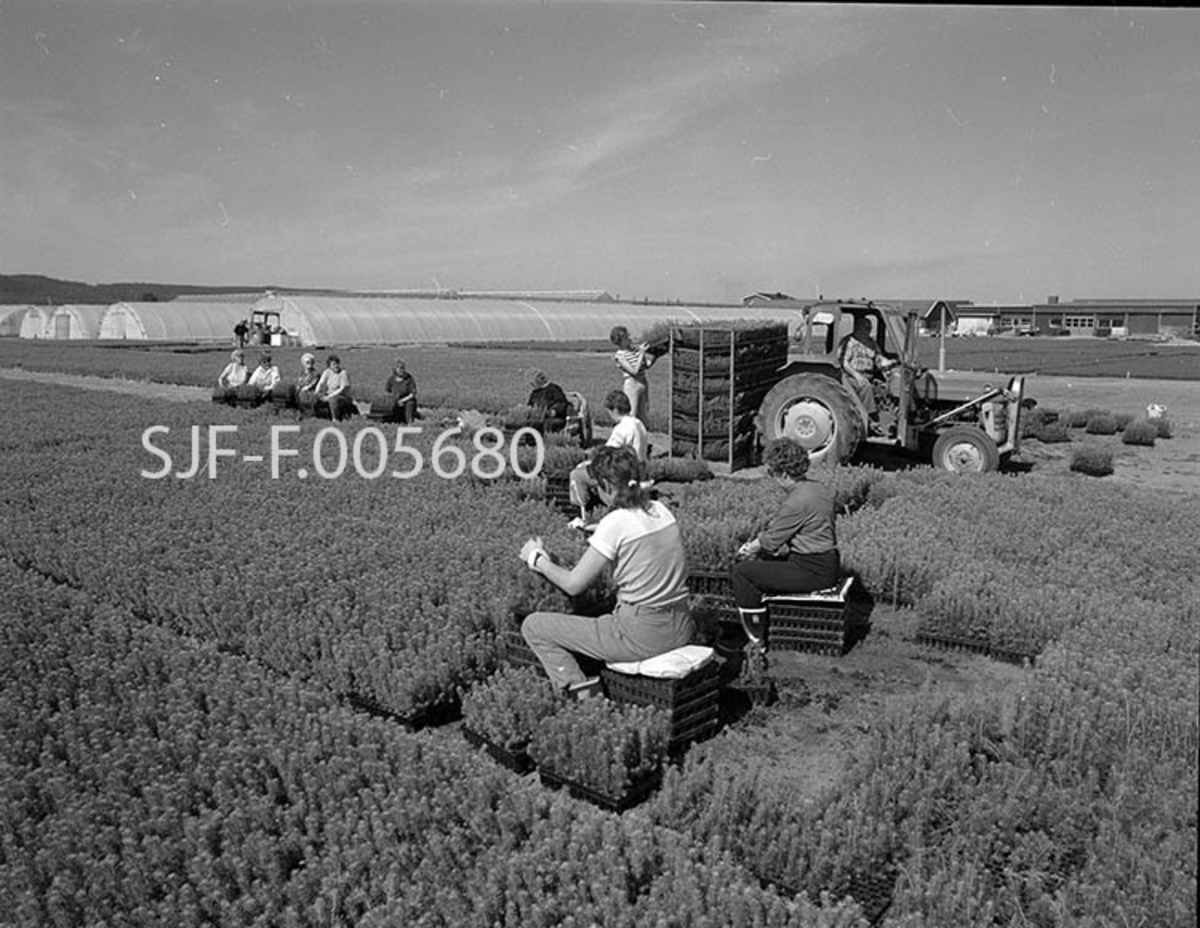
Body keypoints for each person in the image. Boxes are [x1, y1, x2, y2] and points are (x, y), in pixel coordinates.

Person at [520, 445, 694, 695]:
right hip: (681, 626)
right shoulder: (661, 510)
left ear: (607, 486)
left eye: (596, 488)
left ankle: (580, 695)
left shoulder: (615, 524)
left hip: (640, 636)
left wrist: (536, 559)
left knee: (534, 626)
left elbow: (573, 585)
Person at [730, 438, 841, 645]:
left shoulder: (797, 502)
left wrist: (745, 550)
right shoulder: (819, 489)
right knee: (763, 566)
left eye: (771, 472)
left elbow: (770, 542)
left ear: (783, 473)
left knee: (743, 573)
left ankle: (755, 640)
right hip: (827, 561)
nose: (771, 477)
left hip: (812, 569)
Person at [568, 390, 648, 525]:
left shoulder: (622, 429)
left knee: (577, 474)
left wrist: (587, 463)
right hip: (639, 470)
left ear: (615, 409)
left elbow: (607, 456)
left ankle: (582, 516)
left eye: (609, 411)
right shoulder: (638, 424)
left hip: (620, 474)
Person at [838, 314, 898, 429]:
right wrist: (857, 376)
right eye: (866, 328)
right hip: (850, 376)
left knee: (886, 387)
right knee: (866, 386)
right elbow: (844, 363)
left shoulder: (871, 343)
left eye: (870, 328)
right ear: (858, 328)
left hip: (869, 374)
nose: (869, 331)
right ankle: (869, 419)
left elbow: (879, 359)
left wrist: (890, 363)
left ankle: (890, 416)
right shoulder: (848, 342)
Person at [610, 325, 656, 425]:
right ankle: (629, 439)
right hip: (632, 384)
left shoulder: (635, 350)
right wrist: (641, 353)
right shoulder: (620, 355)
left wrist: (655, 356)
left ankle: (640, 439)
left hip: (643, 383)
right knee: (632, 415)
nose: (630, 338)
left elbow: (645, 366)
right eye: (626, 337)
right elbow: (634, 371)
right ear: (620, 341)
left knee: (643, 417)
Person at [314, 354, 355, 421]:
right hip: (329, 394)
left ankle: (335, 419)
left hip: (342, 397)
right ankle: (315, 416)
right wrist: (317, 392)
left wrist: (329, 397)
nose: (336, 366)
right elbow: (321, 383)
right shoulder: (327, 372)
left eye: (337, 363)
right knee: (315, 398)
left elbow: (342, 389)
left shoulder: (343, 373)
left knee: (333, 400)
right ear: (329, 366)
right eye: (333, 364)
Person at [384, 358, 419, 424]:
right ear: (396, 369)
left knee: (410, 404)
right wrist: (392, 400)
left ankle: (410, 422)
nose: (401, 370)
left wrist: (402, 401)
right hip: (396, 400)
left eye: (402, 368)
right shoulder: (391, 379)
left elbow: (412, 394)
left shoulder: (409, 379)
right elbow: (387, 392)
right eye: (399, 368)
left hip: (407, 400)